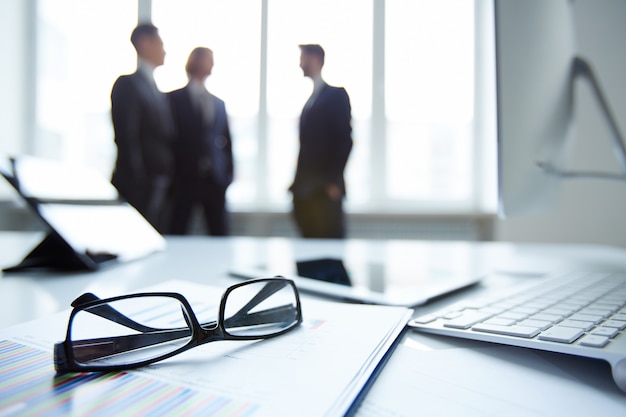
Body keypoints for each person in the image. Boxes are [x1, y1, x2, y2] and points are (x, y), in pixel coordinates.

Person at [110, 23, 175, 232]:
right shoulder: (128, 84)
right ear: (145, 43)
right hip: (139, 185)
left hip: (158, 184)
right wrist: (139, 181)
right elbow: (127, 138)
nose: (164, 50)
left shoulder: (155, 89)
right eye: (160, 44)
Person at [168, 47, 234, 235]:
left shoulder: (218, 103)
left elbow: (227, 142)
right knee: (177, 229)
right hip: (185, 177)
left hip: (214, 178)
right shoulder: (174, 99)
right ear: (195, 61)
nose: (211, 64)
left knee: (219, 231)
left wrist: (228, 174)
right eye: (208, 59)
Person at [289, 44, 353, 238]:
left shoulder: (335, 96)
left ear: (316, 59)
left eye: (303, 58)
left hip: (323, 191)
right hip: (304, 192)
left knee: (329, 251)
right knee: (307, 252)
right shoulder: (311, 99)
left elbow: (344, 141)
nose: (300, 64)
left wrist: (333, 181)